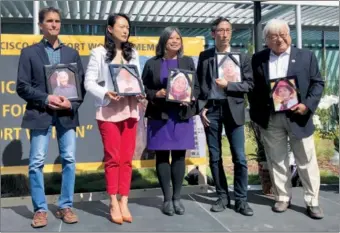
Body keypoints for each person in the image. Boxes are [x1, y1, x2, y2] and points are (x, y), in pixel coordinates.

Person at [16, 7, 85, 228]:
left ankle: (65, 206)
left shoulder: (71, 54)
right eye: (49, 21)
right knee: (36, 162)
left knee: (70, 160)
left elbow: (80, 88)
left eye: (57, 21)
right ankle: (40, 210)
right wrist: (47, 98)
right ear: (41, 25)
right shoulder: (29, 53)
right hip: (40, 112)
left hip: (65, 114)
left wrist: (70, 102)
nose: (54, 24)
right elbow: (22, 87)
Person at [249, 19, 324, 219]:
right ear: (266, 40)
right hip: (271, 118)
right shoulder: (258, 59)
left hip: (299, 116)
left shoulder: (306, 56)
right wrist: (256, 113)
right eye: (274, 36)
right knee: (277, 159)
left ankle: (313, 201)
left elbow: (318, 83)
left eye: (283, 34)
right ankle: (282, 197)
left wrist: (307, 105)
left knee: (306, 160)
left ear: (289, 35)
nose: (280, 39)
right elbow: (253, 89)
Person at [84, 13, 143, 224]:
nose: (125, 30)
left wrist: (139, 92)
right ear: (110, 29)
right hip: (108, 111)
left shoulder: (133, 53)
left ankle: (124, 200)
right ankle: (112, 201)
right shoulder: (98, 53)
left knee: (127, 159)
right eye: (121, 26)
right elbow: (88, 83)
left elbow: (137, 79)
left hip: (130, 109)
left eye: (127, 27)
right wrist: (105, 92)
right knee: (112, 158)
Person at [196, 17, 254, 216]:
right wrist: (201, 107)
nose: (224, 34)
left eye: (228, 30)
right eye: (220, 30)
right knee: (215, 157)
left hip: (234, 110)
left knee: (239, 157)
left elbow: (249, 85)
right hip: (211, 110)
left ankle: (241, 199)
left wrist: (229, 85)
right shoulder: (205, 57)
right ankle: (222, 196)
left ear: (231, 33)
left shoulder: (241, 57)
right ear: (213, 34)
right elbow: (199, 86)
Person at [142, 27, 199, 216]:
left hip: (180, 116)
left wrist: (190, 97)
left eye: (178, 38)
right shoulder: (152, 63)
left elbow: (196, 87)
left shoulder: (188, 61)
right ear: (164, 41)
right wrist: (155, 94)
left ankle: (177, 198)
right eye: (171, 38)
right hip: (160, 115)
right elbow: (145, 88)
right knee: (161, 156)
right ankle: (166, 199)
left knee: (179, 156)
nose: (175, 41)